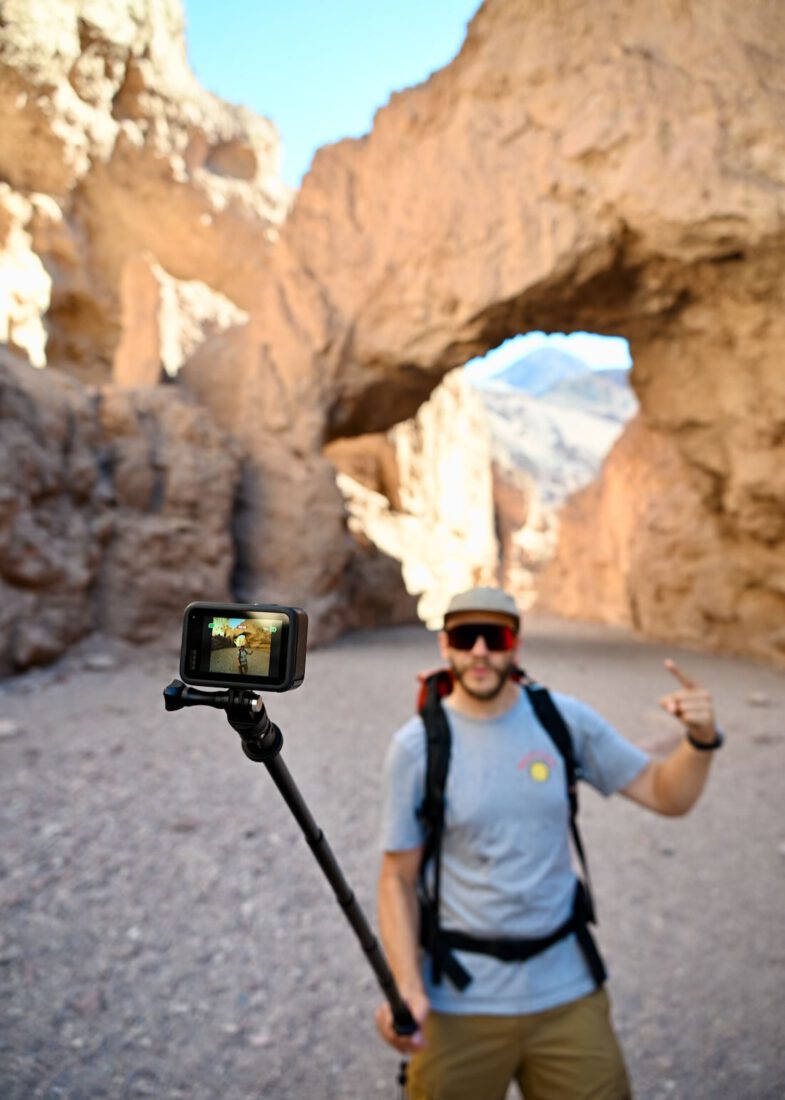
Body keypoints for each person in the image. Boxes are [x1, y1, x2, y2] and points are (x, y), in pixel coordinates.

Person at [375, 586, 722, 1100]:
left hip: (566, 990)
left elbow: (665, 794)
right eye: (465, 637)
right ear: (445, 644)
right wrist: (407, 986)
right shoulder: (416, 747)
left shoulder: (565, 721)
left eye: (494, 637)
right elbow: (397, 879)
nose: (479, 652)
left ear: (515, 644)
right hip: (459, 998)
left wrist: (701, 740)